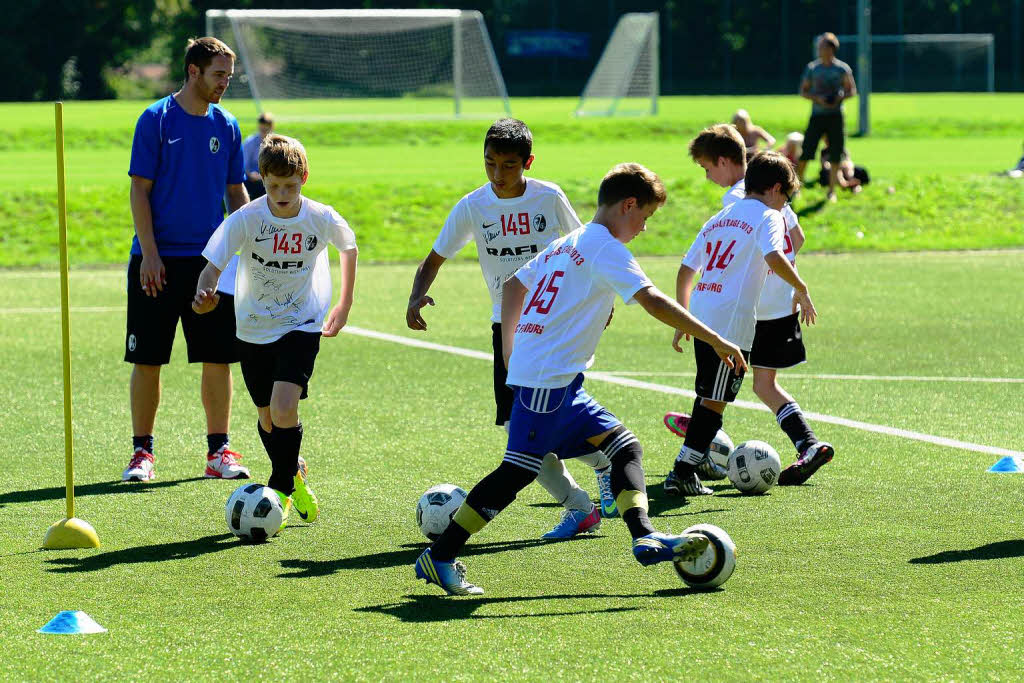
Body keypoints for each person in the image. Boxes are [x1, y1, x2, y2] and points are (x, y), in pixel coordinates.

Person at [414, 163, 747, 595]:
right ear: (628, 205)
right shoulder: (605, 247)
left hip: (556, 383)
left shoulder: (566, 243)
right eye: (644, 218)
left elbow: (514, 285)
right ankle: (439, 556)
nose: (643, 229)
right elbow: (651, 299)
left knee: (623, 446)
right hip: (548, 383)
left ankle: (644, 534)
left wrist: (513, 350)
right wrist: (715, 338)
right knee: (516, 472)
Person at [405, 118, 617, 540]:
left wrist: (602, 300)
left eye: (508, 166)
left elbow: (588, 248)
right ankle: (591, 483)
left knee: (535, 427)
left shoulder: (548, 197)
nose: (498, 175)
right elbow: (434, 259)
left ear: (528, 162)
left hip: (554, 325)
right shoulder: (473, 206)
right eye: (489, 164)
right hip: (507, 327)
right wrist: (416, 296)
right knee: (517, 427)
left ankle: (593, 484)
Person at [192, 134, 358, 524]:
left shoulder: (320, 217)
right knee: (268, 418)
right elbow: (212, 266)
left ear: (304, 177)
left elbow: (348, 247)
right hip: (252, 327)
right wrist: (204, 293)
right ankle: (293, 472)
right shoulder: (248, 218)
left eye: (291, 185)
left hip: (302, 322)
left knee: (285, 407)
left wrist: (344, 303)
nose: (282, 193)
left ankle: (280, 485)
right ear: (261, 179)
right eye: (273, 186)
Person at [664, 125, 835, 489]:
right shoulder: (769, 213)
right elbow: (784, 247)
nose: (707, 175)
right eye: (786, 196)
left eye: (707, 168)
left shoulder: (723, 212)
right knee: (724, 396)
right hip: (746, 314)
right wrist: (797, 286)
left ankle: (697, 454)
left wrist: (683, 314)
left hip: (709, 311)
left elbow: (685, 269)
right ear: (776, 190)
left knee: (717, 394)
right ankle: (687, 466)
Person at [124, 37, 250, 483]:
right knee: (149, 359)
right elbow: (140, 189)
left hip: (210, 264)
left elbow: (237, 194)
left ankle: (219, 453)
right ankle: (142, 454)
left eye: (229, 77)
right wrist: (150, 255)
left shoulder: (228, 124)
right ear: (193, 71)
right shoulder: (155, 119)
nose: (224, 84)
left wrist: (251, 246)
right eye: (218, 75)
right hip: (157, 262)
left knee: (217, 357)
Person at [796, 32, 856, 203]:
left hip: (835, 116)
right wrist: (818, 98)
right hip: (817, 116)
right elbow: (803, 91)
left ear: (831, 49)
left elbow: (852, 90)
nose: (820, 50)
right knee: (807, 150)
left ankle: (832, 191)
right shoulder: (813, 68)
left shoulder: (842, 69)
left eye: (823, 47)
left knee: (836, 153)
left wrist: (839, 97)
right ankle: (797, 187)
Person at [242, 112, 274, 199]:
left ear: (272, 127)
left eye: (266, 128)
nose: (263, 130)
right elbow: (244, 165)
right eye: (262, 127)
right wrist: (251, 175)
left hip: (270, 178)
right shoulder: (250, 142)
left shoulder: (277, 144)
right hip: (251, 179)